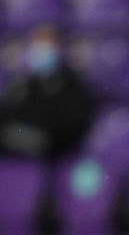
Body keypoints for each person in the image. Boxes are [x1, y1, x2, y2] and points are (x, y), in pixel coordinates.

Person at [0, 25, 96, 162]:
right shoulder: (24, 84)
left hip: (52, 149)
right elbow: (7, 113)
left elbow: (70, 128)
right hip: (16, 144)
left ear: (60, 50)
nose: (41, 52)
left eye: (47, 46)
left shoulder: (73, 86)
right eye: (37, 46)